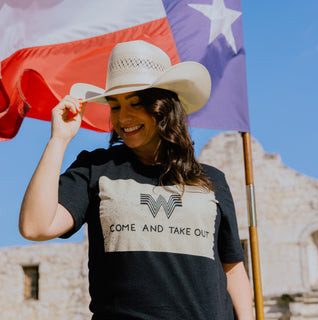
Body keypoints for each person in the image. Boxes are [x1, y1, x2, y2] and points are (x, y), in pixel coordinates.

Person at [19, 40, 253, 319]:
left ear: (164, 107)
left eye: (135, 103)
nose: (123, 117)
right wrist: (58, 139)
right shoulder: (97, 168)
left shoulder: (212, 180)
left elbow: (233, 268)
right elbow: (35, 226)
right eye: (115, 106)